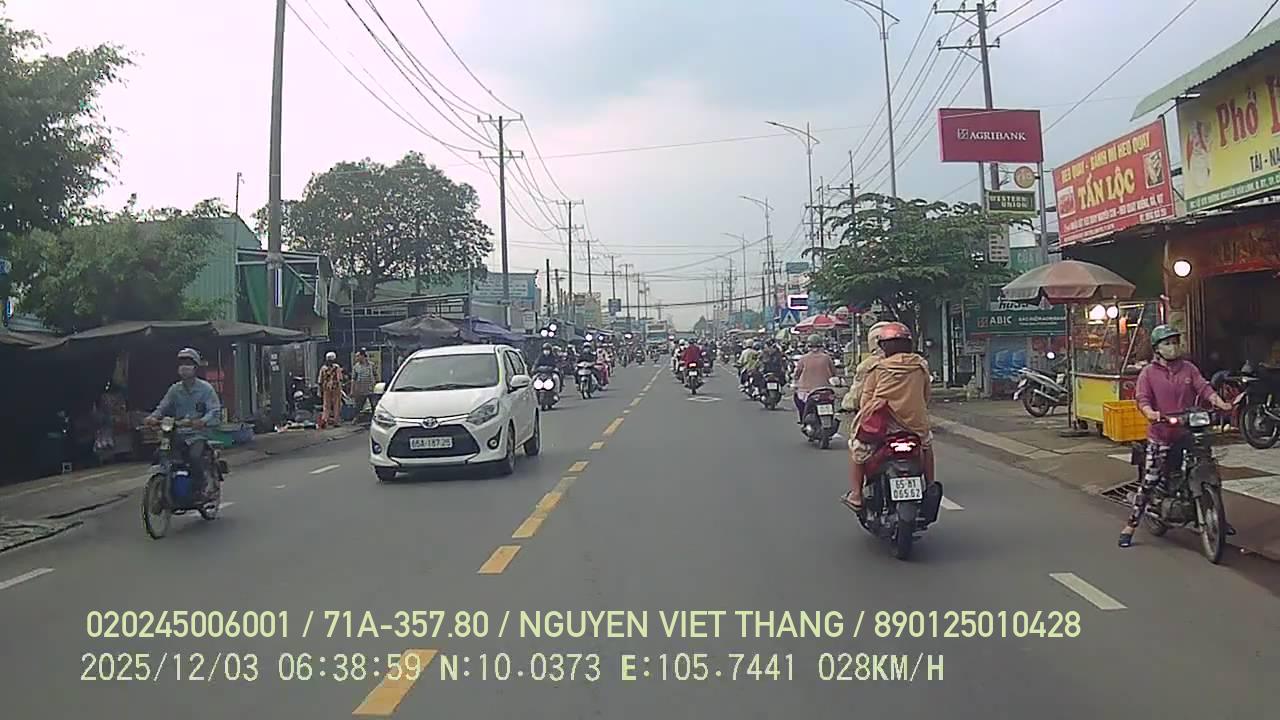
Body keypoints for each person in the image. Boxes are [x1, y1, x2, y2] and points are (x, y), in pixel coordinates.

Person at [1119, 324, 1233, 548]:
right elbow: (1142, 398)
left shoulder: (1188, 368)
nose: (1173, 347)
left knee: (1209, 469)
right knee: (1150, 481)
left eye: (1175, 342)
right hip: (1161, 434)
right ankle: (1130, 525)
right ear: (1157, 348)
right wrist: (1150, 413)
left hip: (1188, 432)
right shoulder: (1148, 373)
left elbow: (1204, 388)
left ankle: (1217, 517)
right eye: (1167, 343)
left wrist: (1221, 403)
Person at [843, 323, 933, 511]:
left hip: (883, 426)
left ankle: (856, 495)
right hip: (915, 425)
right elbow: (926, 395)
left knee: (858, 451)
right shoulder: (920, 366)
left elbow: (866, 400)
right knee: (926, 446)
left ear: (883, 345)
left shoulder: (877, 368)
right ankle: (930, 485)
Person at [145, 348, 222, 497]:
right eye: (181, 363)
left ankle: (201, 487)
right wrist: (152, 418)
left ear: (195, 367)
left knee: (194, 457)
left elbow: (214, 411)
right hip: (178, 433)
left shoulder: (206, 389)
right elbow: (162, 407)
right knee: (162, 454)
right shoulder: (175, 390)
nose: (184, 367)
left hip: (198, 435)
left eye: (188, 363)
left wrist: (202, 421)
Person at [793, 333, 839, 424]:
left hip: (807, 391)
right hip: (826, 389)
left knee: (797, 398)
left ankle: (803, 420)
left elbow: (797, 373)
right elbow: (834, 372)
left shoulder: (803, 359)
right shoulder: (827, 358)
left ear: (808, 345)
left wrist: (795, 380)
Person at [349, 349, 378, 422]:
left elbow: (376, 375)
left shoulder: (371, 365)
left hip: (371, 389)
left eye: (358, 356)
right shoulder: (356, 367)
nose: (357, 358)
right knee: (359, 405)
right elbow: (353, 379)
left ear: (362, 356)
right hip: (360, 389)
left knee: (374, 405)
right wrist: (352, 390)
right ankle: (356, 418)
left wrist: (377, 386)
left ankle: (375, 419)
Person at [318, 351, 345, 429]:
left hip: (326, 388)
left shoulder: (323, 368)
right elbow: (340, 379)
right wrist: (341, 388)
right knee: (336, 405)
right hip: (336, 388)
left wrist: (319, 391)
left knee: (326, 405)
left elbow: (320, 381)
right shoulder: (336, 367)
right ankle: (336, 421)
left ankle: (325, 420)